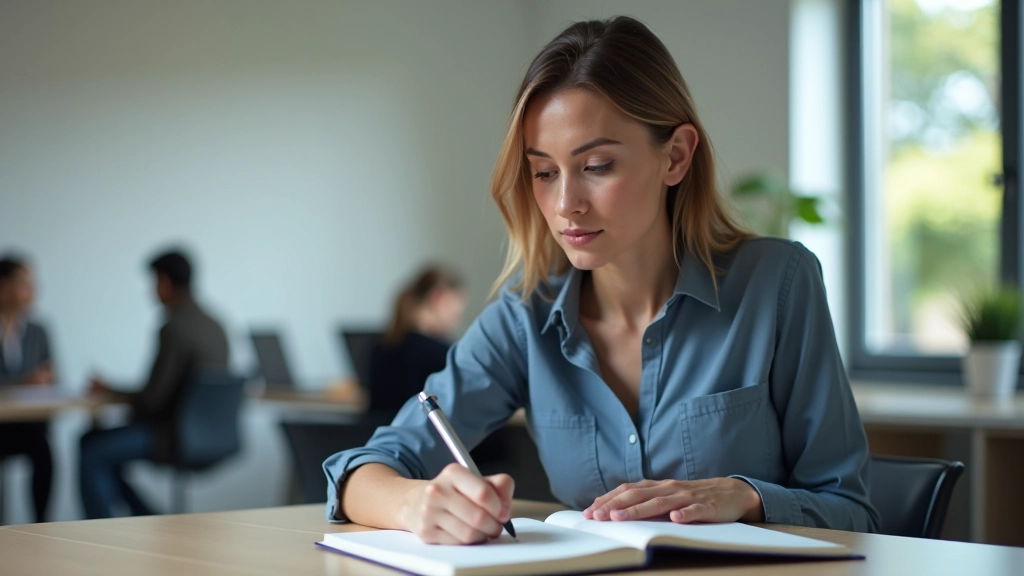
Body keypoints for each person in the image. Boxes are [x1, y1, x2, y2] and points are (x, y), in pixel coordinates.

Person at [324, 16, 879, 544]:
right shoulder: (525, 318)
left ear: (676, 157)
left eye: (596, 167)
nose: (565, 204)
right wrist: (417, 504)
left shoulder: (778, 285)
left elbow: (854, 513)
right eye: (544, 172)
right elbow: (361, 470)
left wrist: (744, 495)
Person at [81, 250, 229, 519]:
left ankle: (107, 532)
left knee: (92, 449)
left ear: (164, 282)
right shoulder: (216, 325)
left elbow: (152, 399)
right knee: (100, 449)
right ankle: (148, 516)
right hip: (216, 436)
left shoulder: (174, 327)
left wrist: (111, 392)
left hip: (174, 436)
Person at [0, 255, 55, 522]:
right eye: (23, 283)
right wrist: (22, 382)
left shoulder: (38, 331)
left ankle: (41, 525)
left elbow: (53, 379)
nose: (32, 289)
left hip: (24, 424)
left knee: (43, 448)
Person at [367, 266, 466, 412]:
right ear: (438, 299)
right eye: (456, 313)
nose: (456, 321)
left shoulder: (379, 349)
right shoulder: (443, 355)